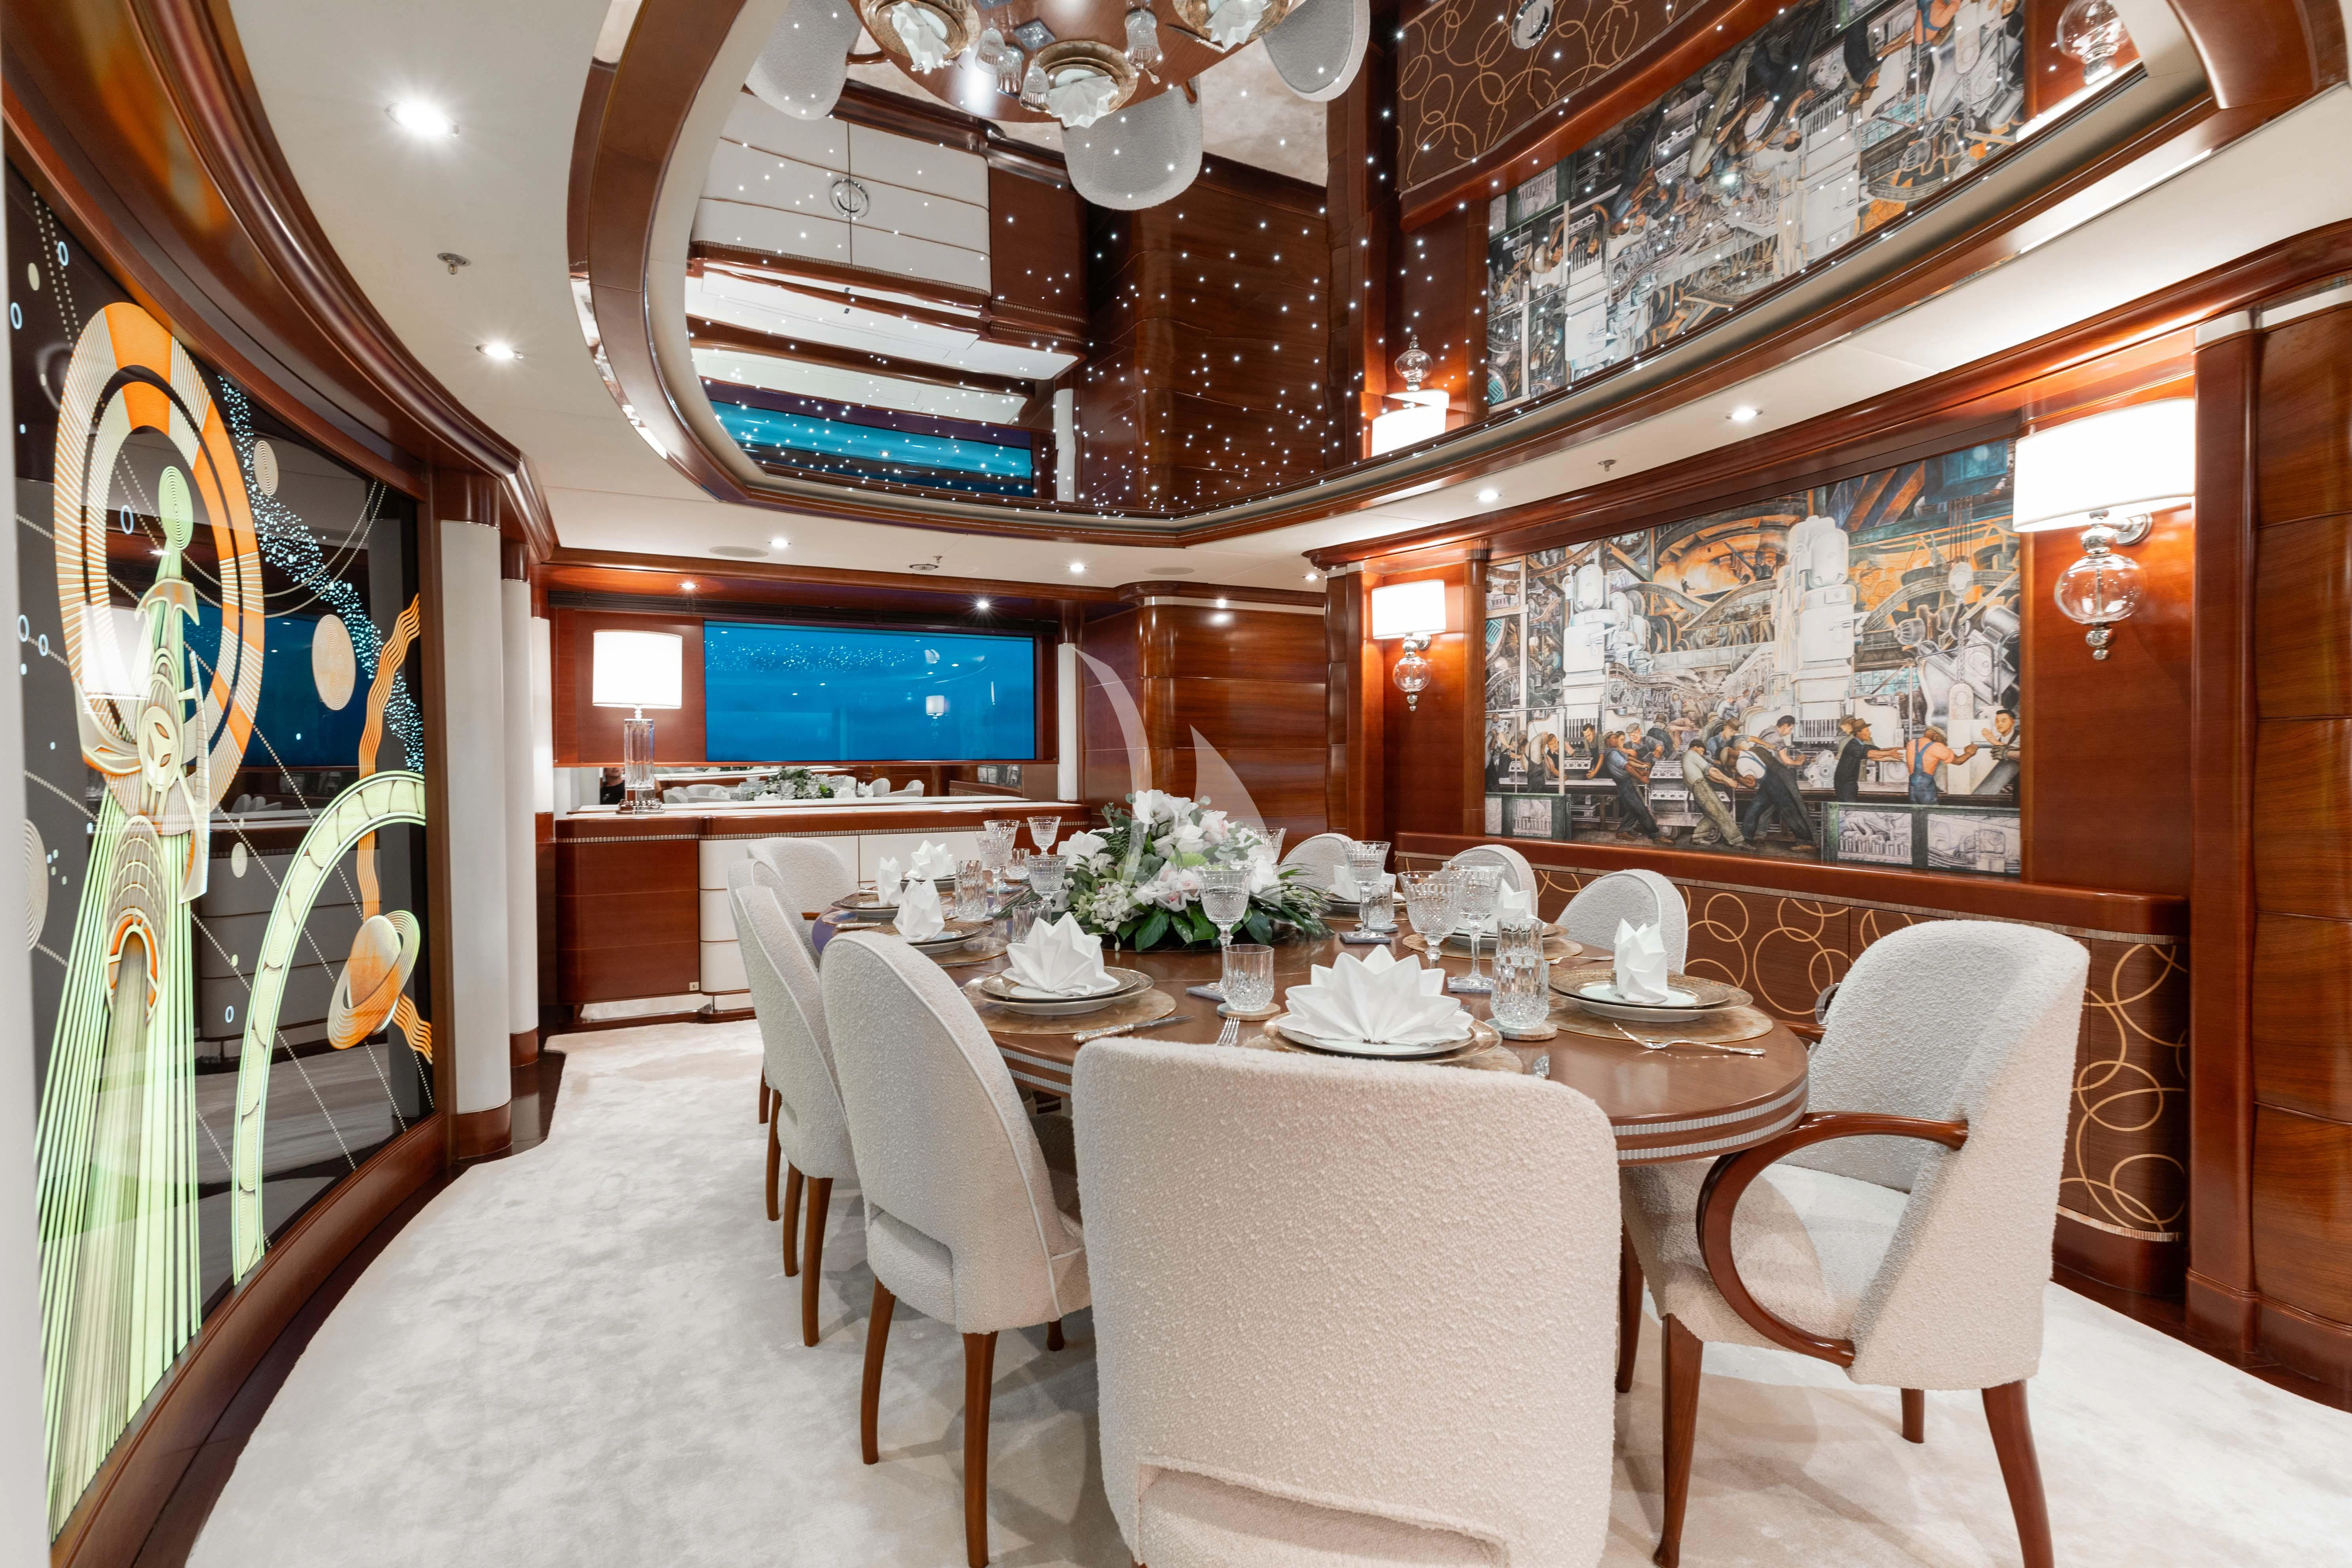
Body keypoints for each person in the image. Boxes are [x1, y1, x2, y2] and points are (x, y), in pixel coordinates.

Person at [1739, 717, 1817, 846]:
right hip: (1777, 777)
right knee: (1790, 808)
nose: (1790, 732)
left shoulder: (1766, 732)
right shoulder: (1778, 740)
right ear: (1785, 725)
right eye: (1791, 729)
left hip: (1767, 776)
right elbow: (1786, 761)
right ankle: (1807, 841)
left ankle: (1750, 835)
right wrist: (1798, 762)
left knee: (1758, 805)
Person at [1594, 730, 1667, 840]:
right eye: (1614, 738)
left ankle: (1623, 831)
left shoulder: (1614, 751)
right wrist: (1642, 778)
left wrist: (1641, 769)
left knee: (1633, 810)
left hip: (1625, 783)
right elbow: (1627, 767)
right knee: (1641, 809)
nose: (1617, 740)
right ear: (1608, 740)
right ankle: (1656, 835)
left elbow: (1629, 759)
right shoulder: (1613, 754)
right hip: (1625, 785)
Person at [1679, 734, 1748, 848]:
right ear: (1695, 747)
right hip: (1701, 788)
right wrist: (1728, 780)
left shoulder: (1687, 758)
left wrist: (1725, 782)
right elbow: (1712, 770)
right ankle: (1737, 841)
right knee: (1721, 812)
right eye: (1701, 751)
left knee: (1713, 814)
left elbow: (1711, 776)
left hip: (1699, 789)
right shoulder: (1691, 754)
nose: (1702, 755)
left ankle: (1698, 836)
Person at [1832, 716, 1903, 803]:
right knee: (1849, 807)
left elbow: (1878, 753)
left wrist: (1897, 754)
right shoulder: (1853, 746)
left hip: (1851, 782)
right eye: (1867, 731)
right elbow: (1870, 754)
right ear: (1859, 733)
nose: (1870, 733)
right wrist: (1890, 753)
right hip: (1845, 783)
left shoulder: (1861, 744)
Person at [1903, 725, 1979, 804]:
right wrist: (1969, 753)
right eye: (1943, 742)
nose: (1944, 745)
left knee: (1916, 810)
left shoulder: (1911, 743)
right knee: (1931, 810)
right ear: (1936, 737)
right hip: (1926, 786)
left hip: (1913, 785)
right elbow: (1958, 761)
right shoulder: (1936, 747)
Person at [1978, 709, 2022, 795]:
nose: (1999, 724)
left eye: (2004, 721)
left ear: (2013, 722)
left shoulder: (2020, 736)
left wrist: (1994, 741)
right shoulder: (1998, 738)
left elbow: (2016, 751)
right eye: (1997, 721)